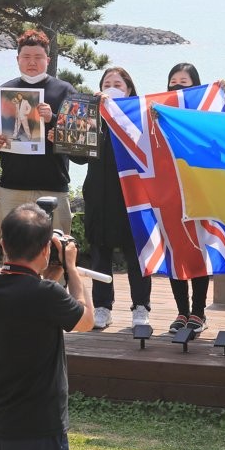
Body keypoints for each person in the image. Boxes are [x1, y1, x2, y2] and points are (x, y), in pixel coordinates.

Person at [0, 203, 95, 450]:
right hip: (39, 429)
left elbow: (29, 293)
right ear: (45, 249)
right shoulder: (46, 295)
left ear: (3, 245)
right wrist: (72, 269)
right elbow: (86, 320)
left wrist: (51, 272)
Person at [0, 29, 77, 233]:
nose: (32, 62)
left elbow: (78, 140)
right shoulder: (4, 92)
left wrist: (53, 119)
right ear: (17, 59)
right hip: (12, 187)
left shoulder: (65, 90)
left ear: (48, 60)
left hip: (53, 186)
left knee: (57, 254)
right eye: (26, 57)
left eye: (38, 57)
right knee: (14, 253)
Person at [84, 66, 153, 331]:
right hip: (100, 195)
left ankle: (141, 306)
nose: (112, 87)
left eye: (118, 84)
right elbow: (78, 156)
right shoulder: (92, 116)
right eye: (107, 83)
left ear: (129, 90)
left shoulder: (140, 116)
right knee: (100, 252)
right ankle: (102, 307)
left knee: (136, 254)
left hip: (132, 195)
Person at [162, 62, 215, 335]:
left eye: (184, 83)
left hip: (197, 193)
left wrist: (223, 95)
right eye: (173, 82)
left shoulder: (203, 117)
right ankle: (181, 312)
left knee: (198, 251)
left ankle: (199, 312)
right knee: (176, 252)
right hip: (169, 194)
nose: (177, 87)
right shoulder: (157, 114)